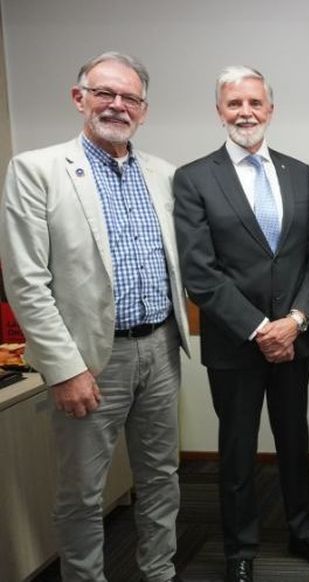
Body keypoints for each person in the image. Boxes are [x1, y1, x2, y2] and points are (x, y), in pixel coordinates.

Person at [0, 52, 190, 582]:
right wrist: (65, 369)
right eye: (104, 93)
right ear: (78, 97)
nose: (117, 105)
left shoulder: (163, 175)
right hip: (88, 359)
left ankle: (159, 572)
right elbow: (26, 282)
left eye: (130, 97)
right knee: (83, 492)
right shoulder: (36, 170)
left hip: (160, 348)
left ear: (144, 111)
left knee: (161, 476)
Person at [173, 66, 309, 581]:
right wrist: (258, 329)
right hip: (234, 343)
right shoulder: (195, 177)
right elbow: (199, 272)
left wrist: (294, 320)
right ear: (220, 111)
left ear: (270, 110)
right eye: (234, 104)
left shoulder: (300, 172)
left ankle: (303, 529)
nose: (245, 112)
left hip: (293, 338)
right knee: (237, 451)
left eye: (254, 102)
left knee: (295, 440)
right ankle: (239, 549)